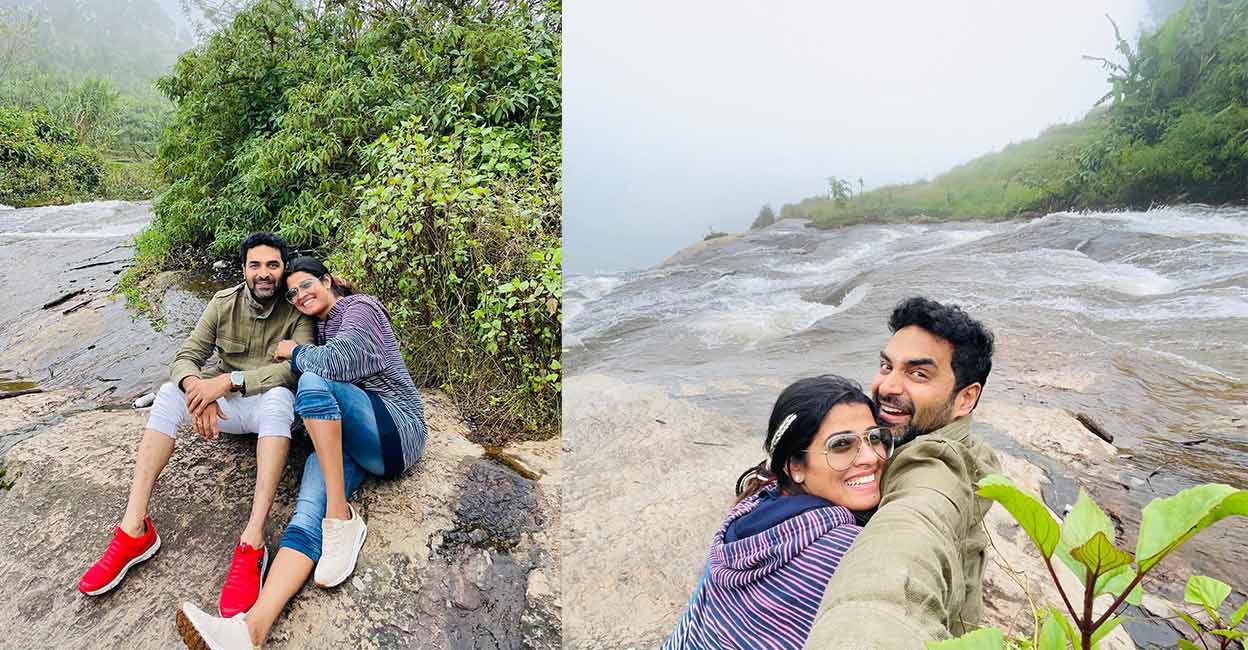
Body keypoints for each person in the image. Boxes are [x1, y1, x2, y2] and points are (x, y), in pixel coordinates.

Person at [175, 256, 428, 650]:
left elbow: (338, 362)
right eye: (292, 293)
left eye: (307, 285)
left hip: (396, 431)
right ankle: (250, 630)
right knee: (304, 515)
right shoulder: (323, 326)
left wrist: (292, 351)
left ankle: (340, 516)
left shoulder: (360, 308)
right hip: (350, 442)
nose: (299, 295)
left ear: (327, 281)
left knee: (313, 378)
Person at [78, 232, 315, 620]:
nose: (264, 274)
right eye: (255, 265)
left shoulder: (297, 312)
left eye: (273, 265)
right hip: (226, 411)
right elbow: (187, 355)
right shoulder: (222, 303)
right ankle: (134, 530)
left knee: (278, 399)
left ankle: (253, 541)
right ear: (244, 269)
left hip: (266, 409)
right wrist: (194, 390)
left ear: (283, 269)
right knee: (169, 392)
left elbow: (294, 369)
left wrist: (228, 382)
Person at [805, 296, 1002, 649]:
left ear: (966, 398)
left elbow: (908, 534)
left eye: (918, 374)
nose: (888, 387)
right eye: (886, 366)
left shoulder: (933, 469)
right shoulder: (918, 436)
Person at [663, 375, 895, 650]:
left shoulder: (752, 508)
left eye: (874, 438)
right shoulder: (845, 552)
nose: (870, 457)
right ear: (795, 466)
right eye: (841, 445)